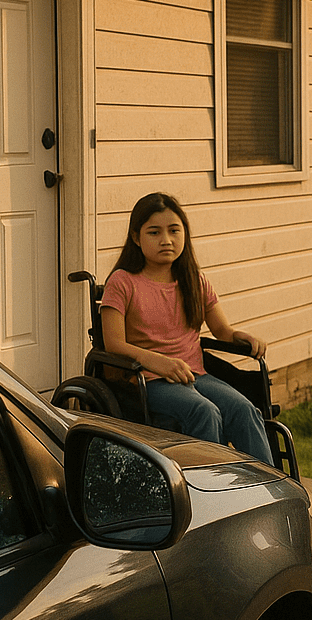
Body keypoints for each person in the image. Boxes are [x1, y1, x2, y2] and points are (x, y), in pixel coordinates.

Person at [100, 191, 274, 465]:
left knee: (245, 410)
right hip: (148, 381)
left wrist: (240, 336)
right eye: (154, 232)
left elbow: (222, 331)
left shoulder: (194, 280)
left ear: (185, 234)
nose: (166, 240)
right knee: (204, 412)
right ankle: (210, 495)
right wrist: (161, 363)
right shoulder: (123, 282)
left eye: (174, 230)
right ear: (136, 237)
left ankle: (270, 491)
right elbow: (114, 344)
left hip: (195, 375)